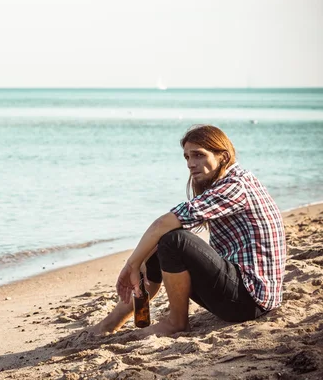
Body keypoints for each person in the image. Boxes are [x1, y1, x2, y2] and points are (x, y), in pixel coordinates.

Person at [91, 124, 286, 338]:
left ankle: (176, 323)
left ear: (223, 156)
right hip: (243, 294)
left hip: (249, 300)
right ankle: (112, 323)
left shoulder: (234, 186)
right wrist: (139, 262)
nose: (191, 164)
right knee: (159, 243)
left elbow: (163, 223)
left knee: (173, 241)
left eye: (199, 155)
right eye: (186, 157)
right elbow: (162, 230)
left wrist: (131, 264)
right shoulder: (230, 181)